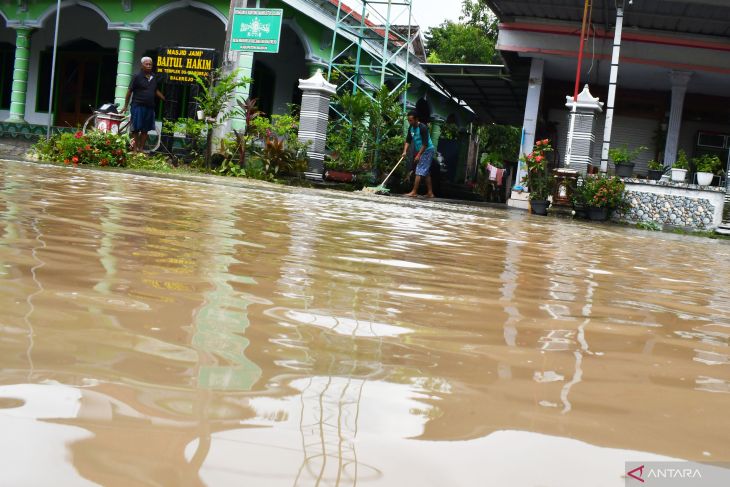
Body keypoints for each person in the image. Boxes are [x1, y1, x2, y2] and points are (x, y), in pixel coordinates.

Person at [121, 57, 165, 153]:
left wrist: (164, 98)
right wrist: (125, 105)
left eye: (150, 64)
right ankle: (135, 149)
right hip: (137, 106)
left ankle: (141, 149)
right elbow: (129, 91)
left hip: (149, 107)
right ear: (142, 65)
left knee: (145, 129)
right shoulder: (137, 76)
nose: (149, 66)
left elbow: (155, 90)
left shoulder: (153, 77)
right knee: (136, 128)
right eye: (147, 64)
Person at [402, 111, 435, 198]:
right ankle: (430, 193)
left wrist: (418, 155)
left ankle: (414, 192)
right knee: (426, 172)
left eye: (411, 120)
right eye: (409, 120)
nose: (410, 122)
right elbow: (408, 140)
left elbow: (425, 144)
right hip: (421, 150)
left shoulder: (423, 128)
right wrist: (404, 151)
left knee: (419, 170)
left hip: (427, 150)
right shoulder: (411, 128)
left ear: (417, 119)